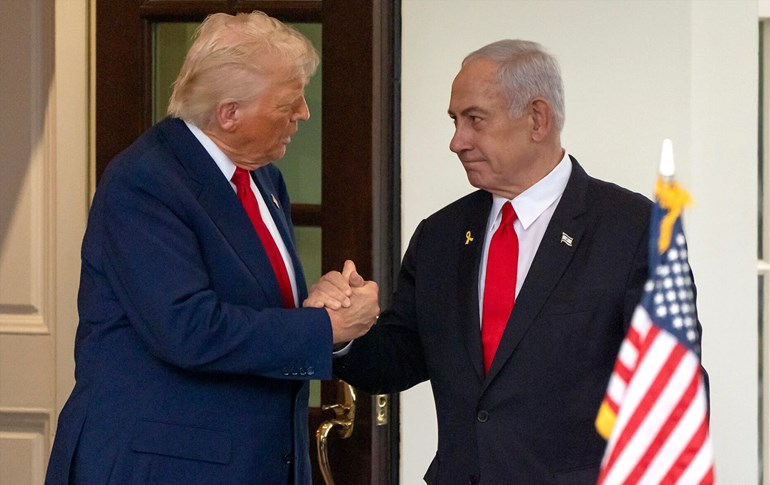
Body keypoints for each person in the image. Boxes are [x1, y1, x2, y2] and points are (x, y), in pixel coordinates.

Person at [329, 40, 703, 484]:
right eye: (454, 121)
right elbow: (400, 358)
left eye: (475, 120)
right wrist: (341, 334)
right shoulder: (441, 236)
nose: (456, 141)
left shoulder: (631, 227)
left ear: (537, 119)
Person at [45, 11, 378, 485]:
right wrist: (323, 329)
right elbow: (187, 328)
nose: (303, 112)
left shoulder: (263, 176)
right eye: (289, 101)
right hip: (163, 466)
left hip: (251, 462)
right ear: (229, 113)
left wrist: (322, 304)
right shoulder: (144, 182)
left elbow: (253, 307)